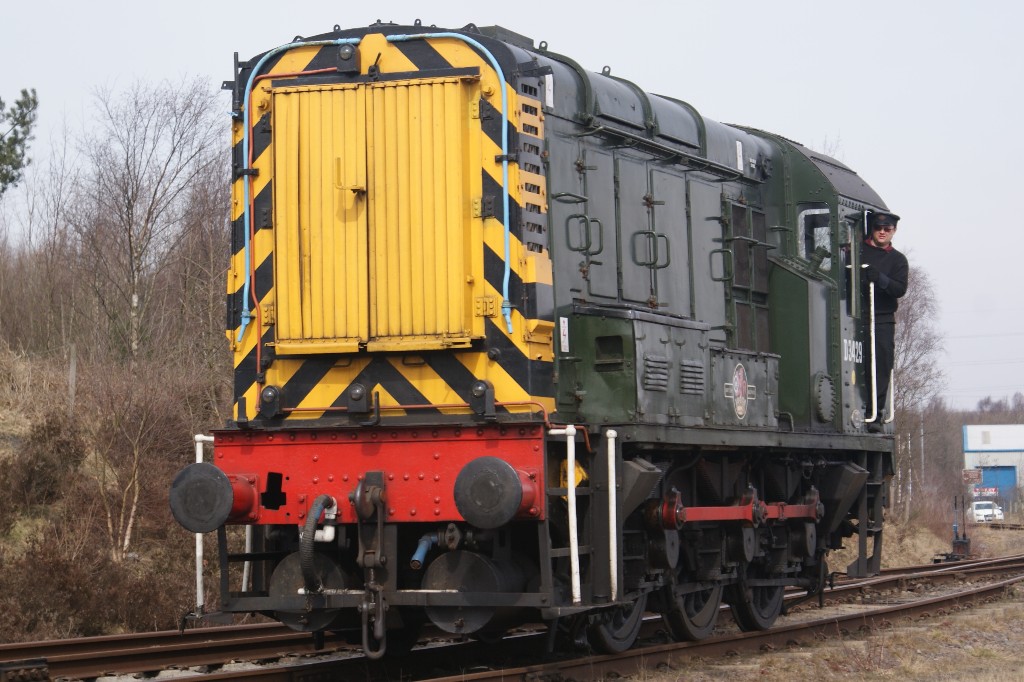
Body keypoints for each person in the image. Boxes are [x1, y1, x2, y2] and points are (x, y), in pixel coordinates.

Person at [861, 211, 908, 426]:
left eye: (887, 229)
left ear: (893, 231)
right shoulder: (857, 251)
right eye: (878, 228)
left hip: (881, 318)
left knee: (881, 362)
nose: (882, 232)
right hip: (856, 315)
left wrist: (880, 279)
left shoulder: (898, 260)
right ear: (872, 229)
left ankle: (876, 411)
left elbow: (900, 289)